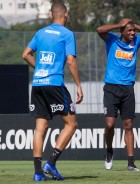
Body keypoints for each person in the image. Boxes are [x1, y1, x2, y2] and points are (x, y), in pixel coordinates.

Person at [22, 2, 83, 181]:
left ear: (50, 15)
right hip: (54, 83)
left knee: (40, 128)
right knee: (71, 125)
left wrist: (40, 68)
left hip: (38, 83)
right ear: (66, 15)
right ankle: (51, 163)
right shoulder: (67, 34)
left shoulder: (41, 33)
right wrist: (79, 85)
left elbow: (25, 54)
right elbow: (70, 60)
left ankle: (38, 173)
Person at [96, 18, 140, 171]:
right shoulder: (112, 40)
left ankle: (131, 162)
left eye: (133, 30)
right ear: (121, 31)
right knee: (109, 124)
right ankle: (109, 151)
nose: (132, 33)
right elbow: (99, 30)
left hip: (128, 88)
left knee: (128, 126)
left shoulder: (136, 42)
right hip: (111, 87)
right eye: (129, 30)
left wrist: (135, 25)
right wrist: (119, 25)